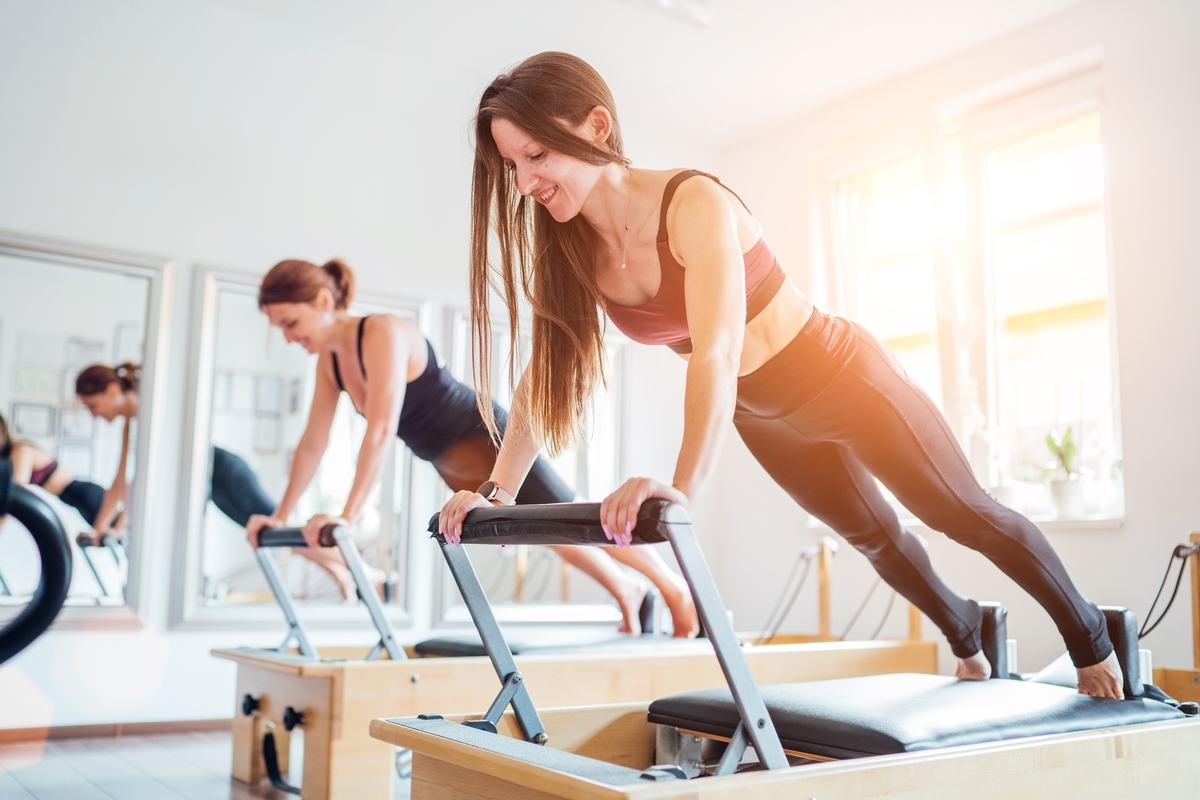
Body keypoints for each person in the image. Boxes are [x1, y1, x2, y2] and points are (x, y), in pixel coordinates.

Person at [437, 51, 1125, 697]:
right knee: (873, 539)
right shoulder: (572, 248)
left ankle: (1090, 636)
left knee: (960, 514)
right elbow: (545, 375)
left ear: (597, 126)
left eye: (537, 155)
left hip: (843, 376)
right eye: (513, 167)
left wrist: (678, 491)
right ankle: (967, 629)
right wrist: (496, 492)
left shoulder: (692, 203)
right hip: (761, 414)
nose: (526, 183)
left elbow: (715, 352)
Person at [248, 258, 697, 634]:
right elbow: (313, 443)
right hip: (448, 458)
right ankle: (628, 589)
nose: (289, 337)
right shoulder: (332, 365)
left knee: (565, 510)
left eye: (291, 322)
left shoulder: (383, 332)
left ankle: (670, 584)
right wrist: (280, 515)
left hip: (485, 434)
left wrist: (346, 518)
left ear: (323, 302)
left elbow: (381, 430)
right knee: (545, 532)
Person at [73, 364, 277, 543]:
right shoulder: (129, 425)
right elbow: (119, 482)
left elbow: (141, 479)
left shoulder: (151, 411)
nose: (93, 414)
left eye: (93, 405)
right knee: (260, 532)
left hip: (222, 470)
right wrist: (99, 529)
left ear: (113, 391)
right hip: (208, 482)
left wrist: (120, 527)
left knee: (276, 529)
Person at [0, 411, 107, 528]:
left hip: (86, 495)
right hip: (73, 502)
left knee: (121, 531)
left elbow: (14, 494)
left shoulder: (21, 451)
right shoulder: (8, 459)